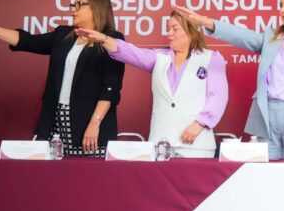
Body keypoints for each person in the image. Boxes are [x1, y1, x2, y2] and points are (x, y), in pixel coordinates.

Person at [0, 0, 125, 156]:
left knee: (88, 177)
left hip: (90, 123)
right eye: (72, 5)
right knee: (49, 177)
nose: (73, 9)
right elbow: (28, 41)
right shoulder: (63, 35)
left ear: (97, 7)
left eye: (79, 4)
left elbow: (110, 88)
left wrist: (95, 123)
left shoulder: (112, 40)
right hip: (55, 120)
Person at [174, 0, 284, 160]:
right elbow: (240, 35)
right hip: (266, 118)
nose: (282, 9)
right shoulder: (270, 38)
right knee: (265, 177)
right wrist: (206, 22)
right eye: (281, 4)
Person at [76, 10, 228, 158]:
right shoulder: (159, 57)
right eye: (168, 29)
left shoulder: (211, 59)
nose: (169, 33)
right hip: (160, 143)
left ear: (192, 31)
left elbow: (218, 98)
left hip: (196, 143)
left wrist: (199, 124)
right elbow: (131, 52)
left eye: (175, 29)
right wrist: (104, 39)